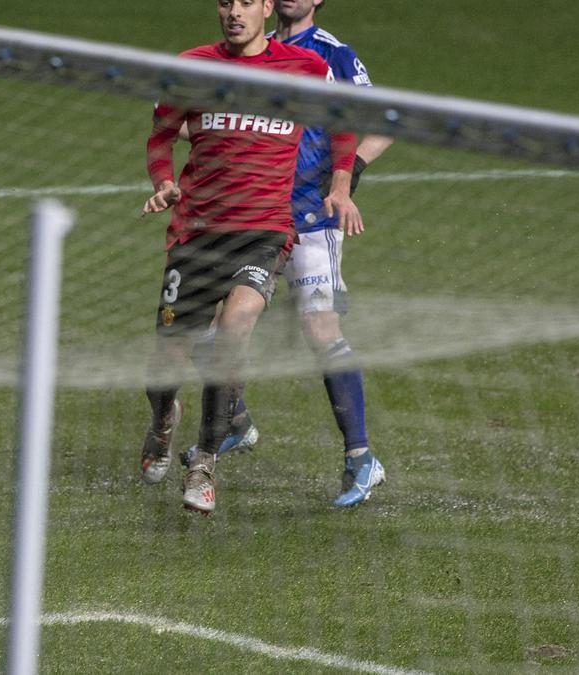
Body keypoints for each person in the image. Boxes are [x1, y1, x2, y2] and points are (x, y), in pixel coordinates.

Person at [139, 0, 360, 515]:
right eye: (226, 2)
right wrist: (164, 183)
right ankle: (162, 419)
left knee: (235, 327)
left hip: (263, 233)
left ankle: (205, 465)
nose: (234, 12)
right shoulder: (192, 66)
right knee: (165, 363)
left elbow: (342, 120)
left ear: (266, 7)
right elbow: (161, 135)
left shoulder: (304, 68)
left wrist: (342, 183)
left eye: (246, 2)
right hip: (195, 235)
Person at [183, 0, 394, 508]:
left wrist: (346, 181)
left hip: (313, 219)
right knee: (205, 329)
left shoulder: (332, 55)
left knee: (320, 329)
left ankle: (361, 458)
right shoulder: (256, 51)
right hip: (253, 214)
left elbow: (382, 121)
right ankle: (233, 421)